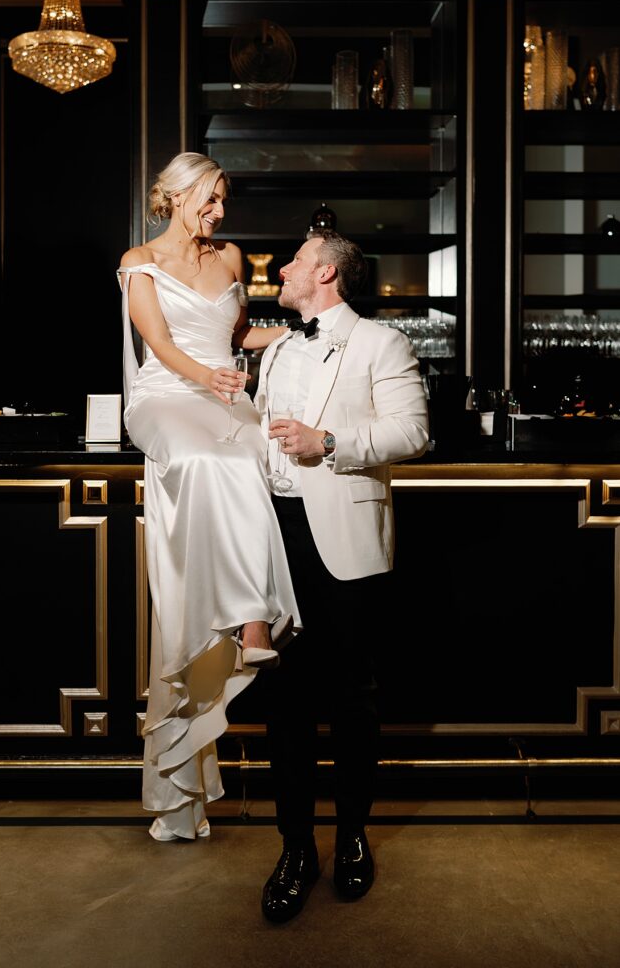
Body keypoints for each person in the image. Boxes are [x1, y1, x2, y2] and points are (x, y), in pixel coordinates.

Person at [117, 152, 301, 842]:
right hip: (168, 398)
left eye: (224, 199)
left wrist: (288, 341)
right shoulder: (139, 260)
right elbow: (159, 343)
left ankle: (250, 625)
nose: (221, 211)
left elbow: (236, 335)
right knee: (201, 458)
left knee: (259, 456)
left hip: (225, 390)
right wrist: (213, 379)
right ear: (177, 195)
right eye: (212, 198)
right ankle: (236, 618)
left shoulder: (231, 255)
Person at [254, 230, 429, 922]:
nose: (283, 267)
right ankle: (295, 849)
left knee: (353, 698)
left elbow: (412, 434)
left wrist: (328, 443)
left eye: (294, 259)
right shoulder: (281, 347)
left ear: (324, 272)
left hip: (346, 543)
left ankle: (352, 836)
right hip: (273, 538)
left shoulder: (380, 344)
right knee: (285, 703)